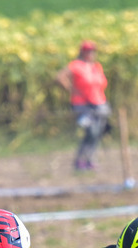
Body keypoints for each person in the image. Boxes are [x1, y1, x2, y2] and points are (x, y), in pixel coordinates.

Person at [56, 40, 110, 171]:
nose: (91, 53)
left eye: (92, 51)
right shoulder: (76, 65)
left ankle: (90, 160)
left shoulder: (96, 66)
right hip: (82, 105)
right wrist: (71, 89)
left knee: (97, 133)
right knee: (90, 132)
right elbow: (59, 77)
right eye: (88, 51)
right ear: (82, 52)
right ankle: (80, 160)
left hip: (99, 103)